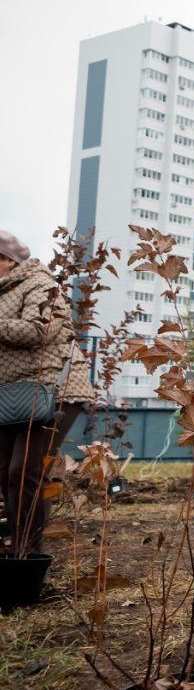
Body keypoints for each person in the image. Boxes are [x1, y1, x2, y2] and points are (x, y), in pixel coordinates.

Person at [0, 230, 92, 556]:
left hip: (53, 391)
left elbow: (42, 329)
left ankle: (27, 554)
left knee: (23, 471)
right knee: (6, 473)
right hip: (10, 396)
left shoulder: (41, 284)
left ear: (7, 259)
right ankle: (17, 547)